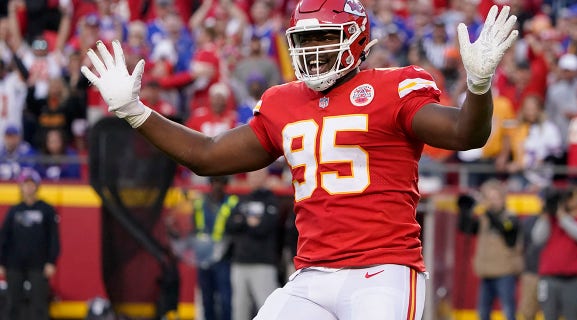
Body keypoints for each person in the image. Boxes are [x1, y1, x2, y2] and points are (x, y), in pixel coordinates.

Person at [80, 1, 519, 317]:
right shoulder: (282, 101)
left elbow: (466, 132)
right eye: (306, 38)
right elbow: (207, 156)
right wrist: (136, 113)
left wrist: (478, 87)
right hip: (312, 274)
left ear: (358, 39)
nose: (313, 48)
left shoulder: (394, 86)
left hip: (384, 270)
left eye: (326, 37)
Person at [0, 168, 60, 320]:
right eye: (25, 184)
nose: (28, 187)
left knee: (39, 304)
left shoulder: (46, 210)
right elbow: (4, 238)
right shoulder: (14, 210)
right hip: (14, 264)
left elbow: (53, 237)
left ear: (37, 186)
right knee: (12, 303)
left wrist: (51, 261)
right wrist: (1, 262)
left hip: (39, 264)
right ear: (20, 187)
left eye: (31, 184)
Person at [457, 179, 522, 320]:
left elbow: (505, 230)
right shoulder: (483, 218)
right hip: (486, 272)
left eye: (495, 198)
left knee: (508, 311)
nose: (491, 202)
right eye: (489, 198)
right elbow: (465, 228)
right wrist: (464, 209)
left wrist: (486, 210)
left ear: (503, 198)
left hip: (505, 272)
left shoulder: (510, 216)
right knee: (483, 312)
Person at [226, 168, 281, 320]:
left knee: (268, 306)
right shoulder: (241, 199)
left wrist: (243, 221)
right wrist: (249, 221)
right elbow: (230, 225)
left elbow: (264, 227)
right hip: (240, 262)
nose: (255, 178)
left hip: (263, 263)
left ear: (265, 177)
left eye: (258, 175)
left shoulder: (271, 200)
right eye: (252, 175)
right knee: (239, 307)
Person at [532, 184, 577, 320]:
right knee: (549, 316)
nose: (569, 200)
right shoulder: (551, 219)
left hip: (573, 280)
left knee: (573, 316)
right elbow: (537, 238)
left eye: (572, 196)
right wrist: (546, 215)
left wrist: (562, 216)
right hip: (549, 278)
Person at [191, 175, 238, 320]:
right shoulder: (200, 204)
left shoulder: (232, 202)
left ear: (226, 184)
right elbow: (194, 229)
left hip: (223, 259)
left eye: (221, 182)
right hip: (204, 258)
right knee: (207, 298)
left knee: (225, 299)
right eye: (215, 181)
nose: (217, 185)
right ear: (210, 183)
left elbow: (236, 229)